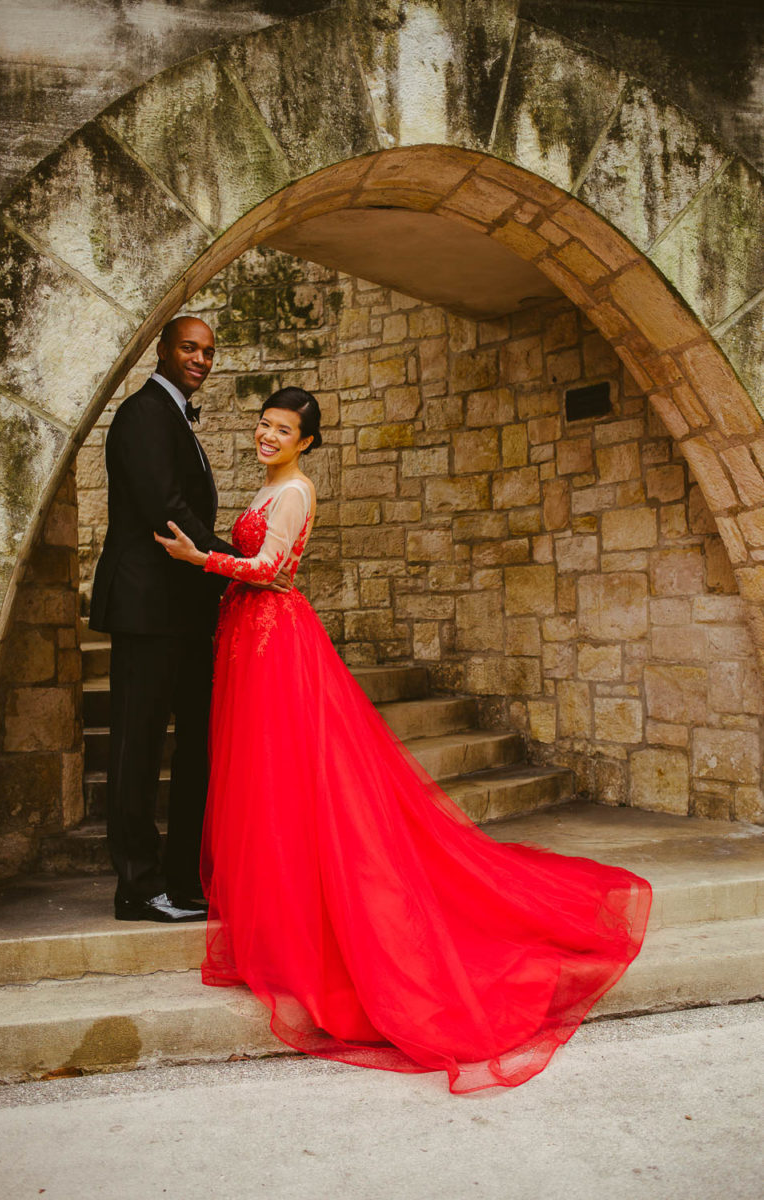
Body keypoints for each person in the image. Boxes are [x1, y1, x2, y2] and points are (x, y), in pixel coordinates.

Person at [155, 386, 652, 1093]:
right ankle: (276, 926)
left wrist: (196, 559)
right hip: (250, 639)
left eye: (283, 429)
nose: (268, 436)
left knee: (289, 781)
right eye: (264, 424)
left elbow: (271, 570)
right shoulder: (270, 484)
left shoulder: (295, 490)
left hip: (274, 643)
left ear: (306, 442)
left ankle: (313, 936)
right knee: (264, 787)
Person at [90, 316, 244, 923]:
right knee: (136, 747)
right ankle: (138, 886)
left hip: (185, 614)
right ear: (163, 349)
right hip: (147, 610)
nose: (200, 359)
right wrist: (241, 565)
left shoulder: (176, 416)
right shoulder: (144, 414)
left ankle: (183, 877)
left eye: (208, 351)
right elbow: (168, 512)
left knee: (197, 750)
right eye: (189, 347)